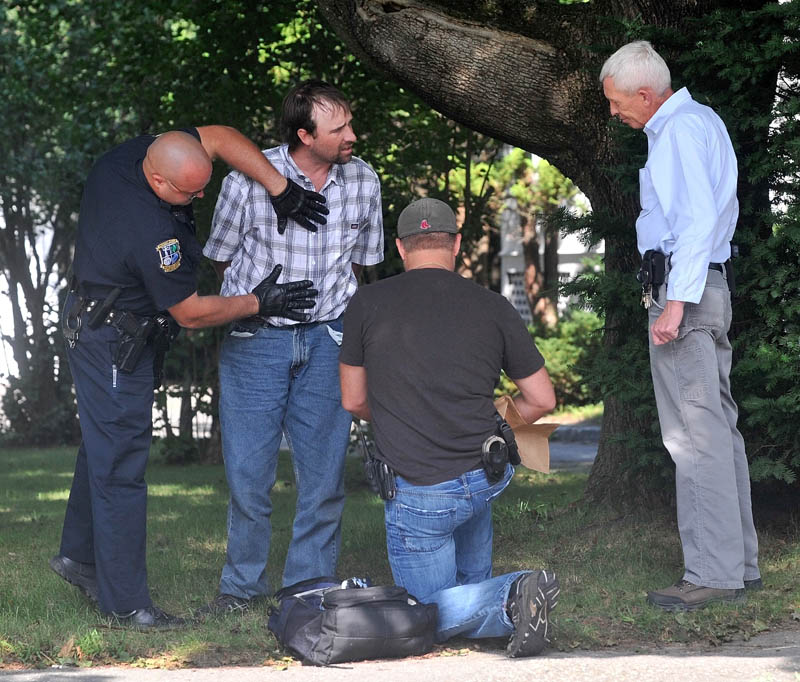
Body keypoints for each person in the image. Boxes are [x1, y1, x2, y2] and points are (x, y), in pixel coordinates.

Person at [50, 125, 326, 629]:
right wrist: (258, 302)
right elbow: (191, 312)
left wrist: (280, 188)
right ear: (157, 180)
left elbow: (217, 137)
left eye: (204, 183)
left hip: (98, 321)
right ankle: (127, 605)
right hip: (112, 342)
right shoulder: (151, 232)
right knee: (121, 469)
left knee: (102, 446)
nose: (201, 196)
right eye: (190, 192)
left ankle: (79, 558)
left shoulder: (124, 158)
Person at [339, 198, 560, 658]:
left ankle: (513, 595)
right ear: (456, 244)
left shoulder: (367, 303)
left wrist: (403, 415)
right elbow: (542, 400)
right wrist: (501, 422)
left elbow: (353, 400)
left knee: (424, 619)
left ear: (400, 247)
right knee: (463, 591)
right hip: (485, 473)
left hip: (420, 487)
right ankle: (493, 604)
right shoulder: (492, 306)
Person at [200, 80, 384, 614]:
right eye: (339, 128)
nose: (352, 135)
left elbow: (360, 264)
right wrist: (258, 302)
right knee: (249, 477)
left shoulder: (364, 178)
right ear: (305, 135)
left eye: (350, 123)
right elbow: (220, 259)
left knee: (325, 476)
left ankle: (310, 586)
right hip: (257, 341)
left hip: (328, 339)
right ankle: (240, 589)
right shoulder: (247, 180)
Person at [599, 40, 761, 611]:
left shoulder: (679, 132)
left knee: (692, 435)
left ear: (646, 93)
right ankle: (738, 563)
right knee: (718, 427)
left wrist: (675, 302)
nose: (614, 113)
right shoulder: (698, 123)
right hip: (704, 284)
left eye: (618, 102)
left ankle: (713, 574)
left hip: (687, 290)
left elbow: (694, 221)